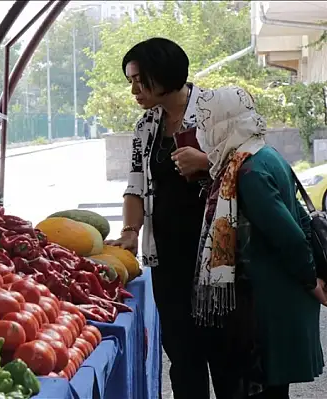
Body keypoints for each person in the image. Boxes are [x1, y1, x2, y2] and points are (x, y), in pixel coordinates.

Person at [104, 37, 236, 399]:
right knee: (182, 354)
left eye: (138, 80)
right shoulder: (146, 126)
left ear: (162, 75)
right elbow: (135, 186)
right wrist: (131, 231)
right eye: (130, 80)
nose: (133, 89)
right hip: (169, 259)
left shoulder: (219, 108)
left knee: (227, 354)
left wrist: (207, 162)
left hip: (220, 257)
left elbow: (257, 166)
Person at [193, 86, 324, 399]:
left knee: (263, 391)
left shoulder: (248, 171)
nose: (201, 131)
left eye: (205, 121)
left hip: (268, 306)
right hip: (269, 300)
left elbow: (289, 235)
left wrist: (311, 281)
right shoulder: (261, 153)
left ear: (225, 122)